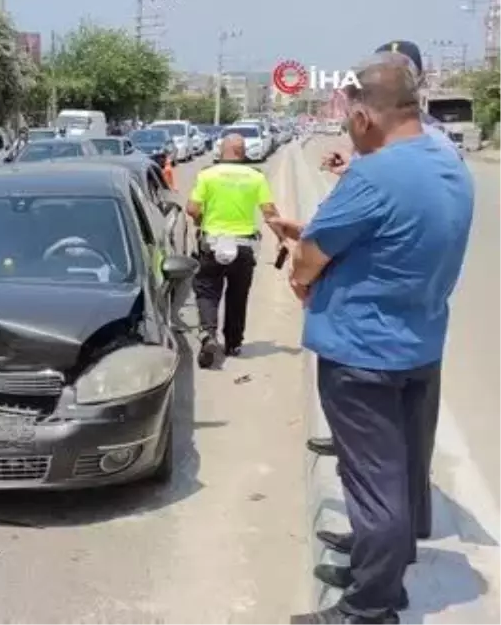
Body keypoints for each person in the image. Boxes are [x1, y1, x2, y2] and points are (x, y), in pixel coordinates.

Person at [284, 56, 474, 625]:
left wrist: (301, 271)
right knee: (403, 473)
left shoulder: (373, 174)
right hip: (420, 343)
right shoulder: (450, 163)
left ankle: (368, 609)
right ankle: (382, 571)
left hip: (363, 352)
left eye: (349, 119)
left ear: (364, 115)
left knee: (374, 485)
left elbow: (311, 258)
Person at [186, 133, 285, 368]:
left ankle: (208, 335)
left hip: (212, 243)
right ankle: (233, 343)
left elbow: (192, 208)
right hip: (244, 247)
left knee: (207, 291)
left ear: (222, 150)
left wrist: (202, 218)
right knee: (237, 296)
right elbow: (269, 212)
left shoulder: (207, 175)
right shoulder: (255, 177)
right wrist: (282, 238)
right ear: (242, 152)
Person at [322, 41, 459, 176]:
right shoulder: (368, 131)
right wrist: (353, 166)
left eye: (401, 76)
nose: (391, 84)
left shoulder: (436, 139)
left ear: (420, 81)